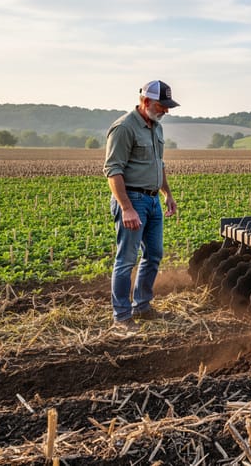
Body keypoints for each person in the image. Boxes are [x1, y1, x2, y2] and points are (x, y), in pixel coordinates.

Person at [103, 80, 179, 333]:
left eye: (167, 107)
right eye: (161, 106)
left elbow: (159, 163)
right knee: (126, 259)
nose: (165, 111)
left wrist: (166, 193)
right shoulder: (124, 128)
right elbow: (113, 171)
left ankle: (142, 307)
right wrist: (126, 208)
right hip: (132, 200)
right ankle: (122, 316)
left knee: (154, 254)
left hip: (153, 200)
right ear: (145, 101)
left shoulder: (155, 127)